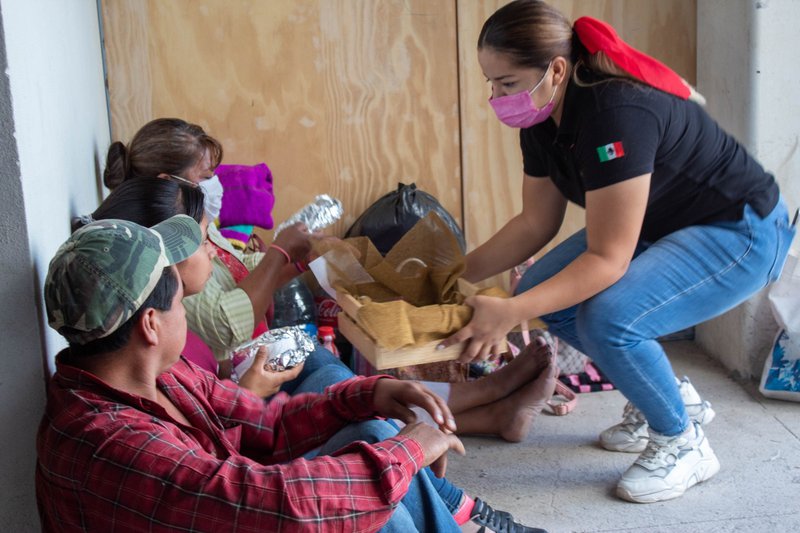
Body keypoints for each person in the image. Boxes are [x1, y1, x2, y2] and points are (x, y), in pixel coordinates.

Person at [437, 0, 796, 504]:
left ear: (556, 70)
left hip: (741, 230)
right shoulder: (541, 118)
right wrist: (453, 275)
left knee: (609, 318)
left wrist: (511, 312)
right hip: (664, 222)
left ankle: (683, 442)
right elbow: (535, 223)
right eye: (490, 83)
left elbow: (609, 259)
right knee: (545, 294)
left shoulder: (614, 112)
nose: (496, 97)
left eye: (507, 83)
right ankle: (674, 402)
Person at [77, 176, 549, 532]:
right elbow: (276, 504)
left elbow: (269, 424)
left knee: (366, 428)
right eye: (180, 302)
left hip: (237, 499)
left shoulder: (158, 373)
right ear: (151, 324)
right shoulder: (117, 445)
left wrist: (371, 394)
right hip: (248, 509)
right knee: (372, 512)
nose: (188, 306)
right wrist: (406, 450)